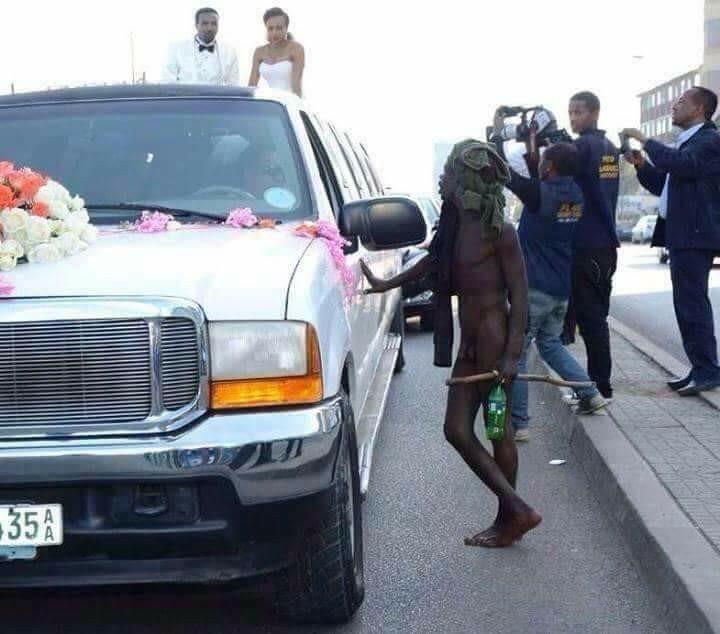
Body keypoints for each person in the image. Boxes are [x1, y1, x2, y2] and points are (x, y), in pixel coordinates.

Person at [361, 140, 541, 548]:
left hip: (493, 350)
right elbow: (432, 261)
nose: (441, 180)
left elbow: (520, 296)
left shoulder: (500, 232)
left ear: (465, 180)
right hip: (469, 348)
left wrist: (512, 356)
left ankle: (509, 518)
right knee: (457, 429)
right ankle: (516, 510)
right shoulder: (454, 226)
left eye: (447, 173)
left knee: (497, 431)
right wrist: (386, 284)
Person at [490, 113, 607, 441]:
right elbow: (531, 181)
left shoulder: (540, 193)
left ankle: (520, 424)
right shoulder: (576, 195)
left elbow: (504, 173)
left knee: (517, 353)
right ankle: (590, 393)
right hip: (560, 287)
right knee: (551, 344)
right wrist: (534, 143)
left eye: (543, 161)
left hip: (534, 287)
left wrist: (497, 136)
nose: (538, 164)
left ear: (550, 167)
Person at [623, 87, 720, 396]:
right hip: (682, 235)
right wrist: (641, 165)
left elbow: (683, 165)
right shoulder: (687, 144)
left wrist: (645, 140)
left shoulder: (708, 141)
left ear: (699, 108)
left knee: (693, 305)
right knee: (686, 305)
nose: (674, 106)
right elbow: (663, 185)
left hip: (695, 235)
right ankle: (700, 367)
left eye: (681, 101)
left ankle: (708, 371)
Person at [567, 91, 620, 400]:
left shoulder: (583, 147)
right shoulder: (609, 148)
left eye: (579, 112)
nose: (574, 118)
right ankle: (601, 382)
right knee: (597, 317)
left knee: (590, 320)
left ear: (595, 112)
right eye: (571, 112)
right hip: (605, 244)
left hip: (586, 244)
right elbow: (603, 190)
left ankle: (598, 387)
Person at [163, 8, 239, 86]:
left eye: (214, 24)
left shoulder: (230, 52)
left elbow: (233, 85)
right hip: (186, 94)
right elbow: (168, 82)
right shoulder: (177, 49)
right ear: (196, 25)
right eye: (205, 23)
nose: (209, 28)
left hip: (217, 94)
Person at [249, 8, 305, 97]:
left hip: (291, 100)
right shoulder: (259, 52)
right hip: (271, 101)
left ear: (286, 28)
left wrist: (297, 104)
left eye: (279, 28)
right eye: (270, 28)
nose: (274, 33)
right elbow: (251, 87)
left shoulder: (296, 49)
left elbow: (296, 86)